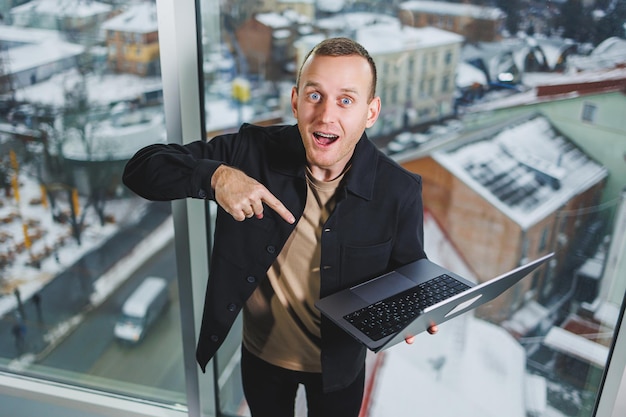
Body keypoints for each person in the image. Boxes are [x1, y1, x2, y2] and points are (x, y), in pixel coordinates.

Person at [123, 37, 435, 417]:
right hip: (262, 361)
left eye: (346, 100)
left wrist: (419, 304)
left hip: (340, 370)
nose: (325, 116)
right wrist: (217, 177)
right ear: (295, 100)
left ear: (371, 112)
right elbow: (142, 168)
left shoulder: (399, 190)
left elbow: (410, 269)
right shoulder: (249, 153)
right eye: (314, 95)